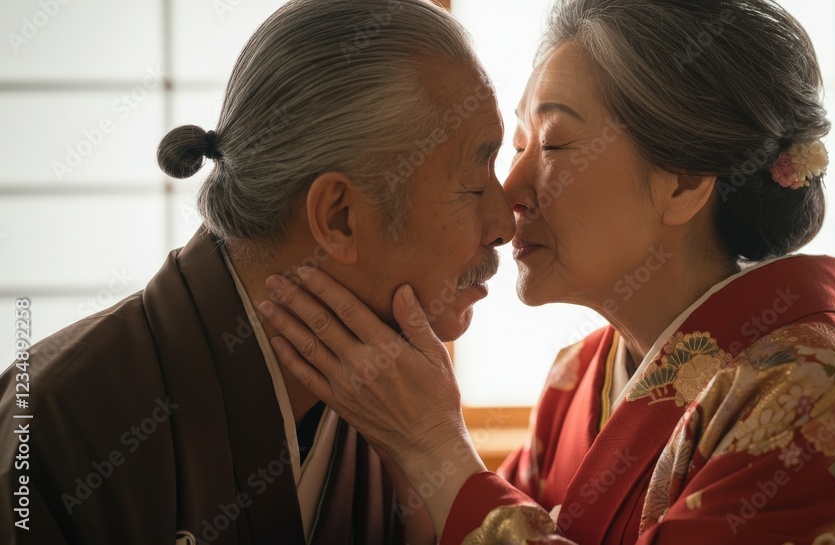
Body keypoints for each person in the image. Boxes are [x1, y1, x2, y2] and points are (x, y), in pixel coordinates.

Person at [259, 0, 835, 543]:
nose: (511, 190)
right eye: (519, 143)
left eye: (557, 142)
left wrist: (436, 449)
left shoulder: (818, 390)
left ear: (684, 180)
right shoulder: (579, 377)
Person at [0, 0, 511, 543]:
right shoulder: (53, 424)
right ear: (338, 216)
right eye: (476, 184)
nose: (506, 222)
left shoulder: (397, 406)